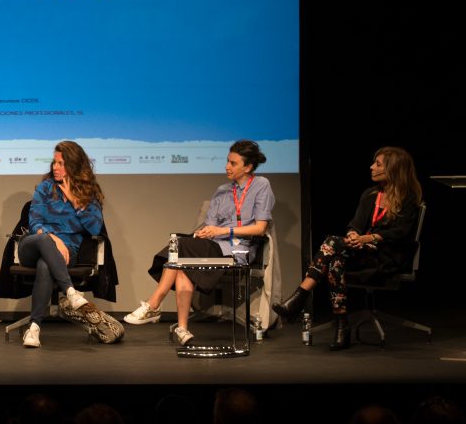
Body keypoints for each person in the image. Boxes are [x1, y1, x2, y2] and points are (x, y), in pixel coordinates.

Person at [124, 140, 274, 347]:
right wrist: (205, 232)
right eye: (227, 161)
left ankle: (154, 303)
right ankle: (183, 328)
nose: (226, 167)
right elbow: (211, 224)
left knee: (179, 246)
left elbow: (260, 228)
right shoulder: (222, 190)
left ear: (247, 167)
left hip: (237, 250)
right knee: (182, 263)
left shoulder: (261, 185)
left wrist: (222, 230)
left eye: (233, 163)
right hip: (214, 246)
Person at [274, 146, 422, 350]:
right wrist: (354, 235)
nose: (371, 167)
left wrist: (367, 238)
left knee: (333, 242)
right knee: (335, 261)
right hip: (364, 251)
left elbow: (401, 233)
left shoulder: (409, 198)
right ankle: (342, 326)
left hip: (388, 255)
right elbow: (355, 224)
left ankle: (300, 297)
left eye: (377, 164)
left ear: (394, 169)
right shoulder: (370, 194)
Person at [18, 140, 104, 349]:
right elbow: (35, 222)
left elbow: (94, 229)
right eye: (54, 162)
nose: (55, 167)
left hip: (67, 253)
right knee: (43, 240)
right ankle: (71, 292)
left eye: (61, 163)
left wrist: (75, 201)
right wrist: (54, 239)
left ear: (73, 165)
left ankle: (34, 328)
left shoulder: (88, 193)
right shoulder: (45, 188)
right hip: (33, 244)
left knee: (45, 265)